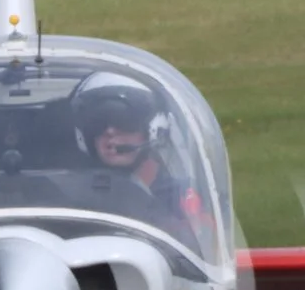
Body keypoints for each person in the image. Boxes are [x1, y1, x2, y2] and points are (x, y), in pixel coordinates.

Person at [70, 72, 207, 241]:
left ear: (154, 129)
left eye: (124, 120)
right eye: (98, 122)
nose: (110, 131)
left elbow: (207, 251)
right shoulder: (73, 199)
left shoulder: (184, 197)